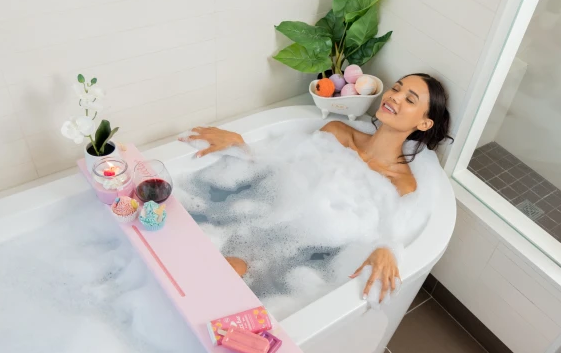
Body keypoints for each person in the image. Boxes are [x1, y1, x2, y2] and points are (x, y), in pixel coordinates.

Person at [178, 73, 451, 302]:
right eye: (396, 88)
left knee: (223, 275)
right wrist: (244, 147)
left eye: (409, 99)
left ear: (424, 123)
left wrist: (386, 247)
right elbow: (282, 161)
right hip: (255, 212)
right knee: (200, 262)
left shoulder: (402, 184)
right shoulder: (336, 133)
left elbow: (388, 230)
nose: (394, 96)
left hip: (302, 252)